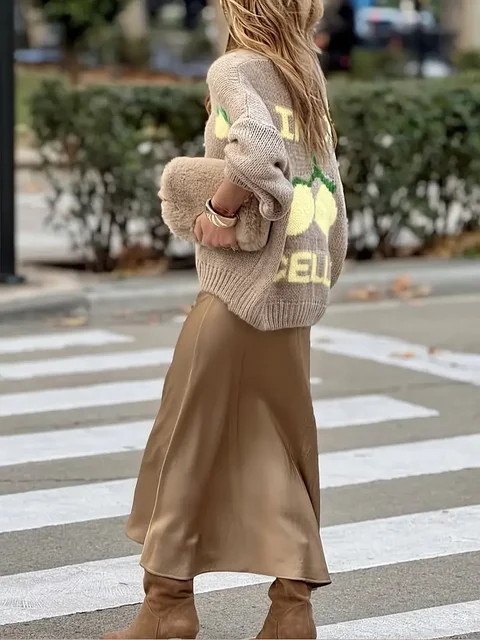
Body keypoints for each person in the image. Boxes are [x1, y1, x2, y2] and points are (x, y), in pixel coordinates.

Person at [102, 0, 348, 638]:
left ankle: (167, 607)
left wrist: (218, 208)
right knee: (282, 451)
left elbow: (258, 151)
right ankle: (291, 613)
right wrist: (323, 268)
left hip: (239, 289)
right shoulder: (305, 74)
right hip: (294, 290)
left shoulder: (235, 69)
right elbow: (327, 182)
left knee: (183, 440)